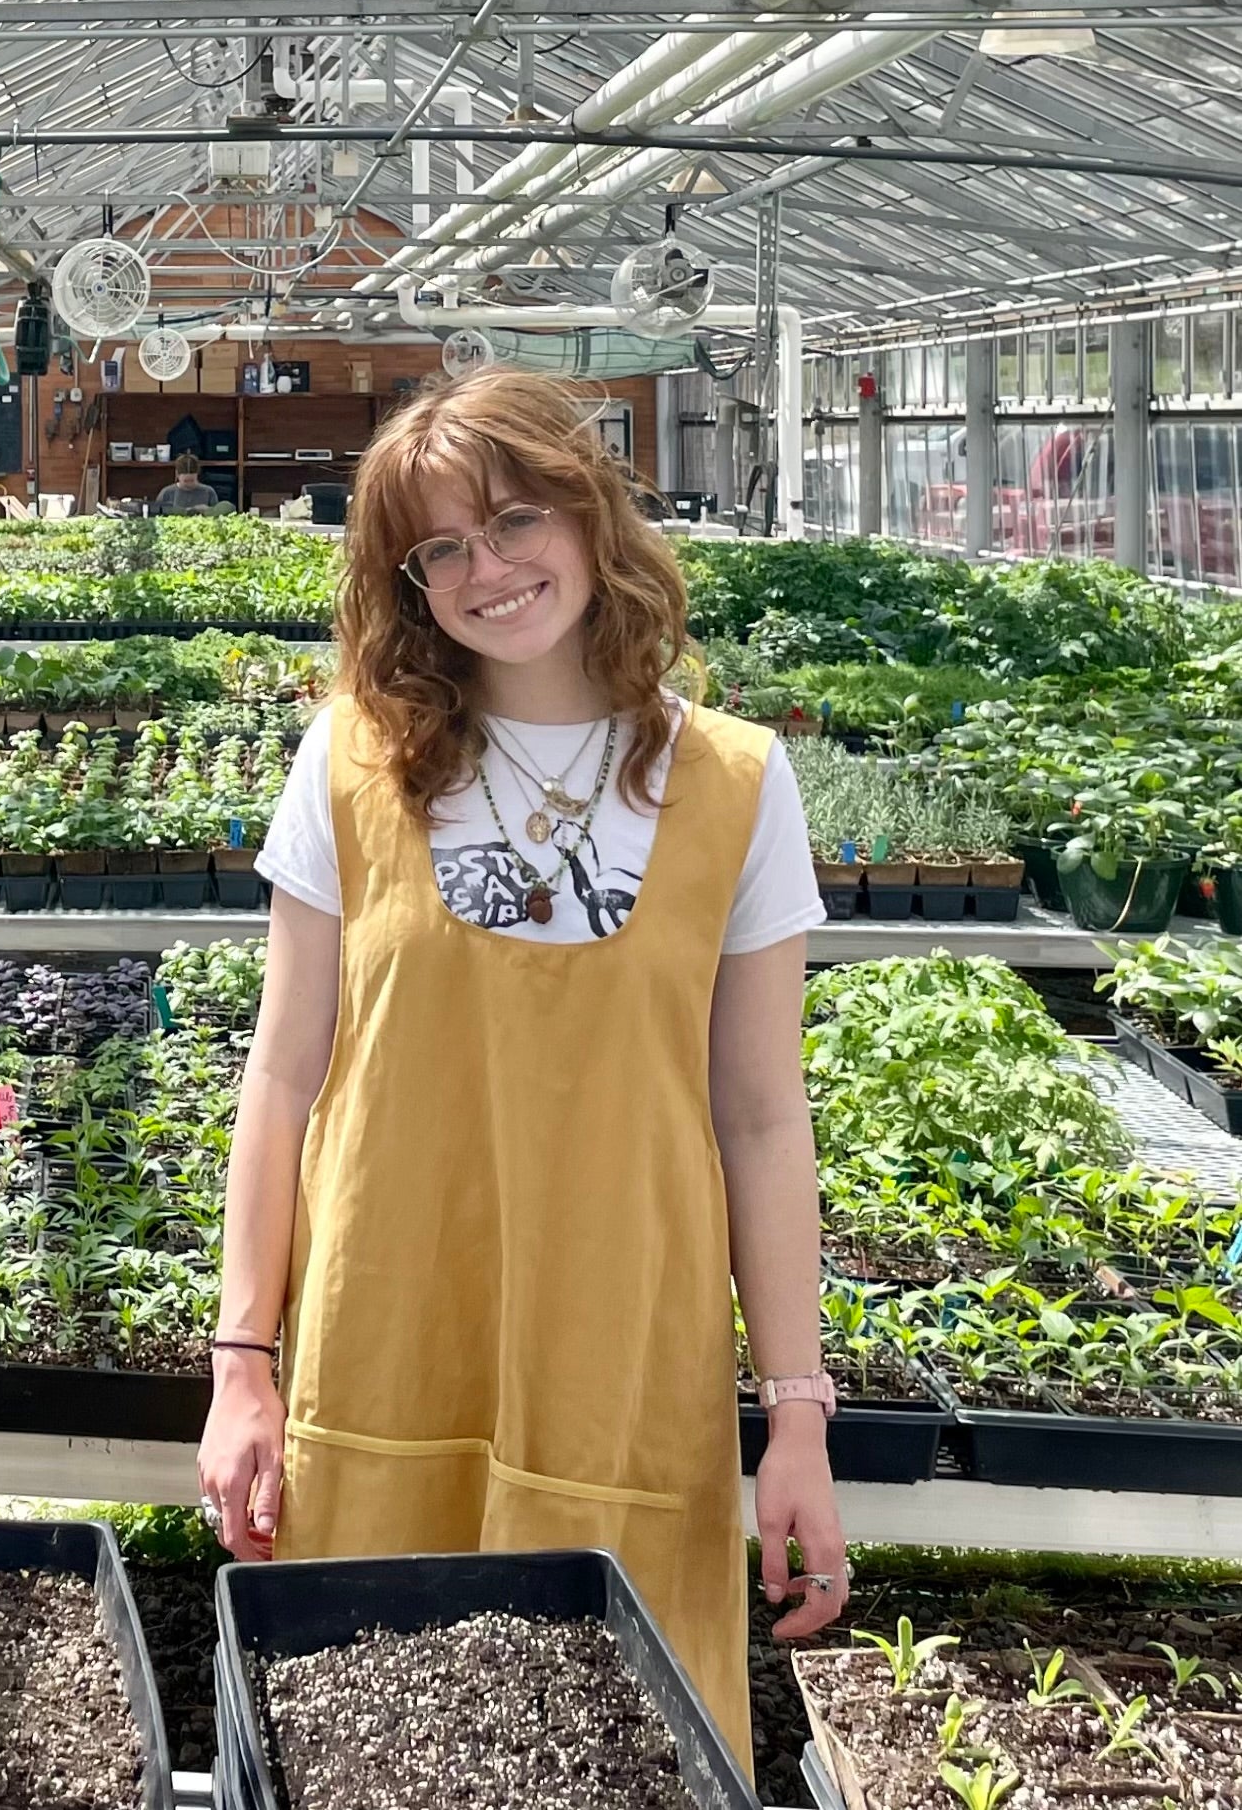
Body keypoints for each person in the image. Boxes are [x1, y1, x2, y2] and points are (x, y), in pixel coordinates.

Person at [197, 369, 847, 1772]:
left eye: (512, 519)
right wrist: (243, 1362)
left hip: (624, 1358)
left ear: (588, 510)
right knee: (374, 1744)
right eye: (440, 548)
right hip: (386, 1344)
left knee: (604, 1759)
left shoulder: (734, 782)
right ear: (407, 581)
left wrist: (797, 1416)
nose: (486, 569)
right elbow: (285, 1075)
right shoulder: (356, 763)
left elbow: (760, 1116)